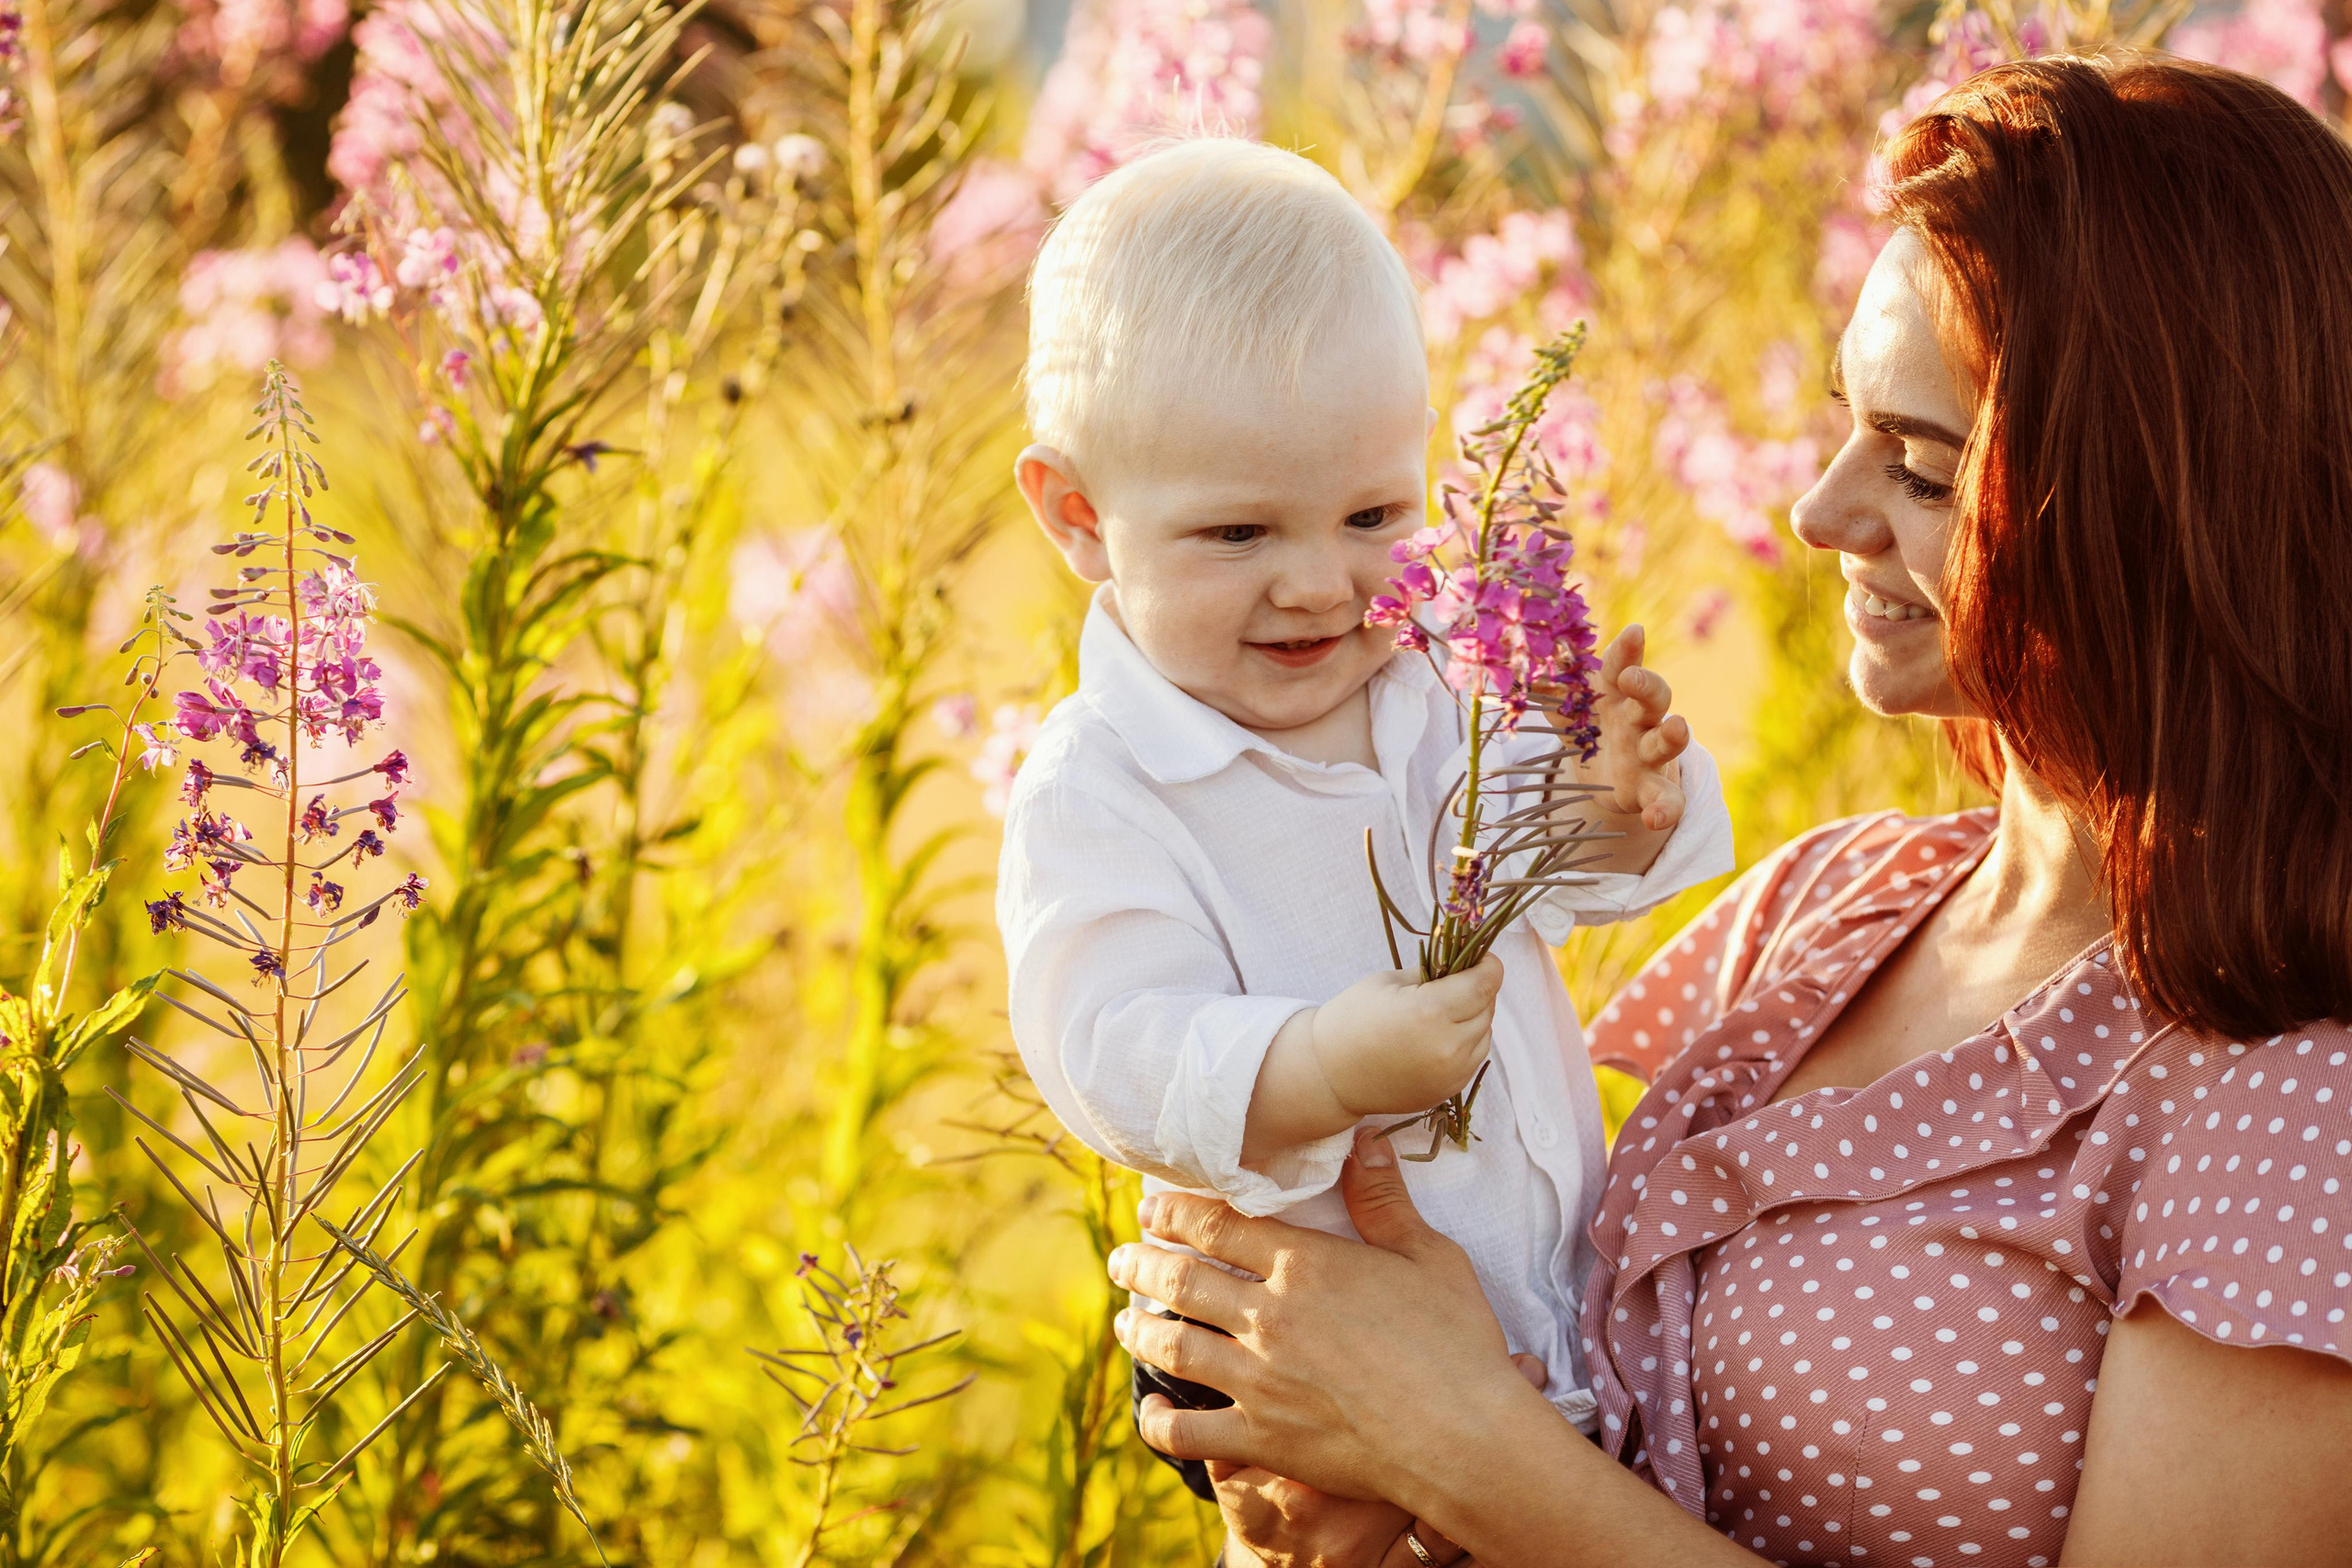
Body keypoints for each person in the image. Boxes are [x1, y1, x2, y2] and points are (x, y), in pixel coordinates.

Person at [1104, 55, 2352, 1567]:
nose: (1817, 514)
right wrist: (1321, 1498)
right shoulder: (1829, 909)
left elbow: (1492, 1451)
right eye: (1846, 425)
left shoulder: (2294, 1088)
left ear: (2171, 501)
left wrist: (1456, 1438)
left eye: (1924, 469)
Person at [997, 138, 1736, 1502]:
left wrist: (1619, 804)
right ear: (1081, 517)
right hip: (1307, 1371)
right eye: (1238, 537)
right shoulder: (1105, 788)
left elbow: (1566, 865)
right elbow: (1111, 1046)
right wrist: (1322, 1064)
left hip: (1551, 1323)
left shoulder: (1443, 680)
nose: (1321, 586)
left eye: (1373, 513)